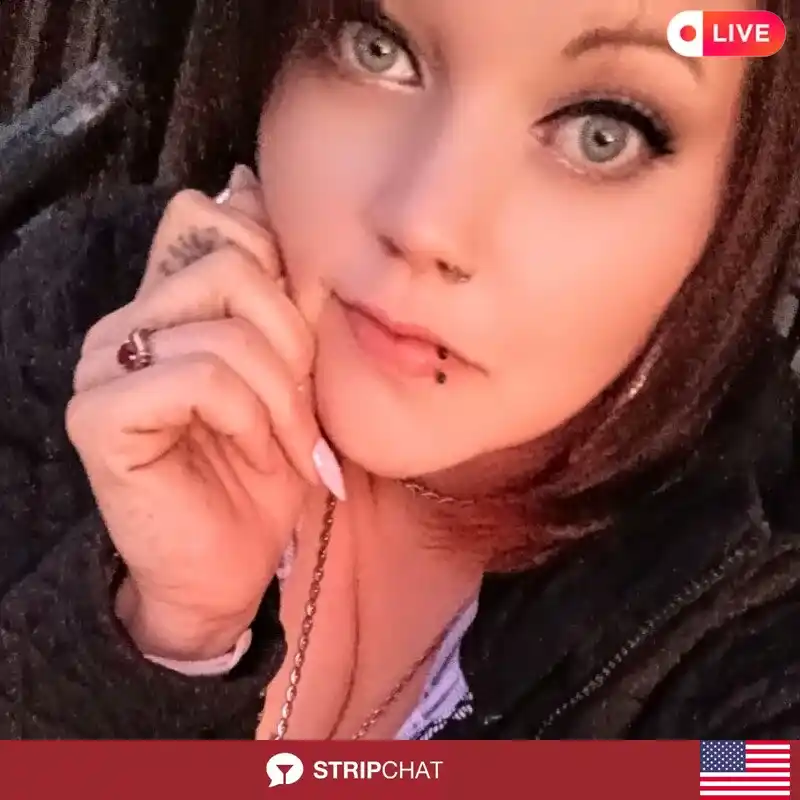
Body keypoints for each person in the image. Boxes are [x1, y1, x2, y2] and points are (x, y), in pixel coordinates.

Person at [0, 0, 798, 740]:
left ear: (736, 201)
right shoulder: (80, 312)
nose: (424, 224)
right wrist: (165, 638)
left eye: (603, 131)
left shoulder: (747, 642)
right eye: (377, 48)